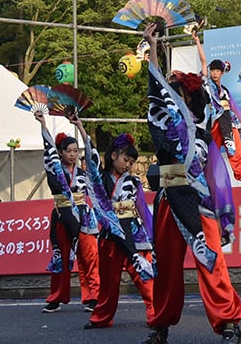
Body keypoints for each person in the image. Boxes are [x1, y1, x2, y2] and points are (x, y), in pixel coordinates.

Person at [140, 23, 241, 344]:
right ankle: (160, 325)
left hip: (200, 201)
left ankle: (228, 321)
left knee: (211, 261)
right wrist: (153, 47)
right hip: (170, 199)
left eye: (176, 89)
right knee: (167, 269)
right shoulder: (165, 118)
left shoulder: (204, 121)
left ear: (188, 93)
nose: (169, 92)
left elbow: (216, 155)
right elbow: (155, 90)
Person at [78, 117, 156, 330]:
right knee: (108, 283)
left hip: (133, 235)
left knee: (144, 277)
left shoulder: (134, 182)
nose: (128, 165)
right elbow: (91, 158)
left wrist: (152, 235)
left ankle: (155, 313)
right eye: (126, 159)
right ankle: (102, 317)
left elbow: (142, 208)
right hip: (110, 237)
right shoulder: (101, 179)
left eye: (132, 162)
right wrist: (81, 128)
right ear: (113, 156)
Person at [34, 110, 100, 313]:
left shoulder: (83, 173)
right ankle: (56, 297)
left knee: (89, 256)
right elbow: (49, 152)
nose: (73, 154)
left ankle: (93, 296)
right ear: (61, 152)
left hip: (84, 217)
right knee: (60, 256)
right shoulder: (54, 169)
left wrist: (79, 126)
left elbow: (92, 155)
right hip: (62, 215)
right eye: (69, 151)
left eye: (75, 150)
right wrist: (43, 124)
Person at [194, 30, 241, 185]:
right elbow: (203, 60)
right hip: (214, 122)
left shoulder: (225, 90)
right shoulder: (207, 84)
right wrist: (197, 41)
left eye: (217, 71)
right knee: (211, 151)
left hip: (229, 121)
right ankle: (207, 178)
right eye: (212, 70)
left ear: (222, 72)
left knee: (236, 150)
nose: (214, 73)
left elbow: (234, 106)